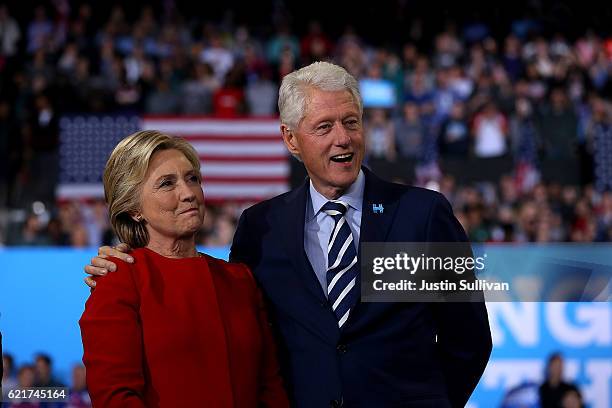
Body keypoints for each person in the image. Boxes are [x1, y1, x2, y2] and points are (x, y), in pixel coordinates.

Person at [86, 62, 492, 407]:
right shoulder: (262, 228)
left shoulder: (421, 215)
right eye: (324, 126)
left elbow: (468, 339)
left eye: (351, 122)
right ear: (290, 139)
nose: (343, 138)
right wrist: (128, 258)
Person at [79, 131, 288, 407]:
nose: (189, 193)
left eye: (193, 179)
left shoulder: (239, 279)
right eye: (167, 184)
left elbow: (270, 388)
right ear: (133, 209)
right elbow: (115, 398)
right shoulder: (119, 279)